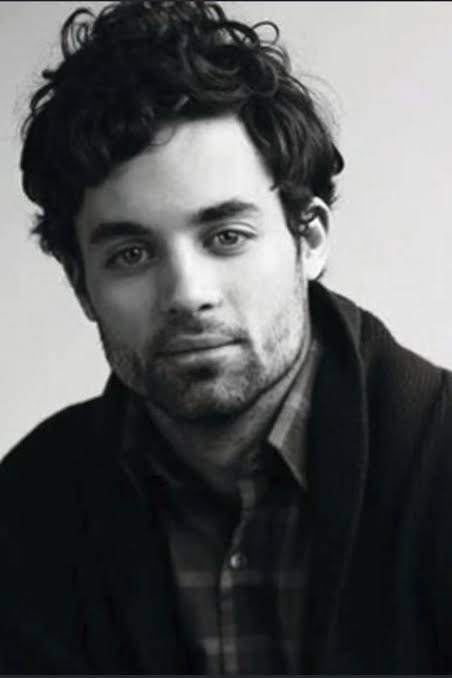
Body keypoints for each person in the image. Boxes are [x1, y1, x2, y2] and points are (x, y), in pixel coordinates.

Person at [1, 0, 452, 673]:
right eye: (130, 254)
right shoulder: (31, 508)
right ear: (80, 284)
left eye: (226, 236)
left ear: (309, 240)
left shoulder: (439, 465)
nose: (187, 293)